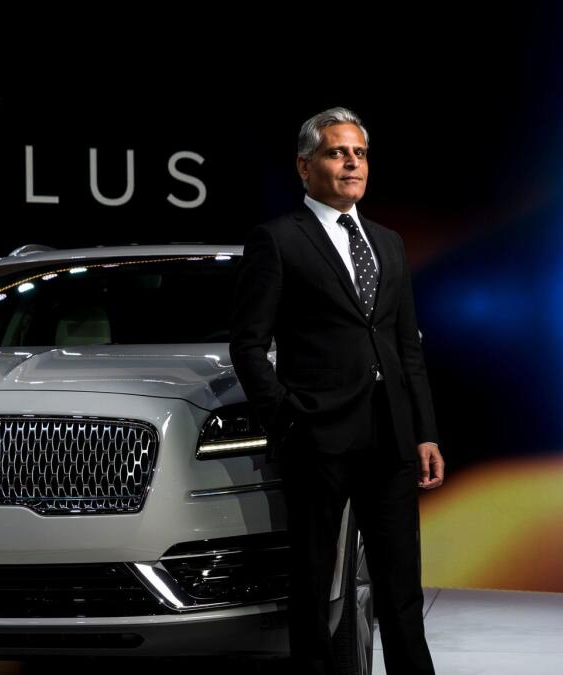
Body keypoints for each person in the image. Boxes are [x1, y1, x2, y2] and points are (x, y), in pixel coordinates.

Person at [229, 107, 444, 674]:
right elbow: (247, 346)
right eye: (336, 152)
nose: (352, 163)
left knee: (401, 583)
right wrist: (286, 418)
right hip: (317, 435)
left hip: (392, 434)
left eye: (360, 153)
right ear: (305, 166)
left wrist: (425, 432)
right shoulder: (277, 240)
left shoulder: (388, 242)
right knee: (313, 581)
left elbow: (407, 347)